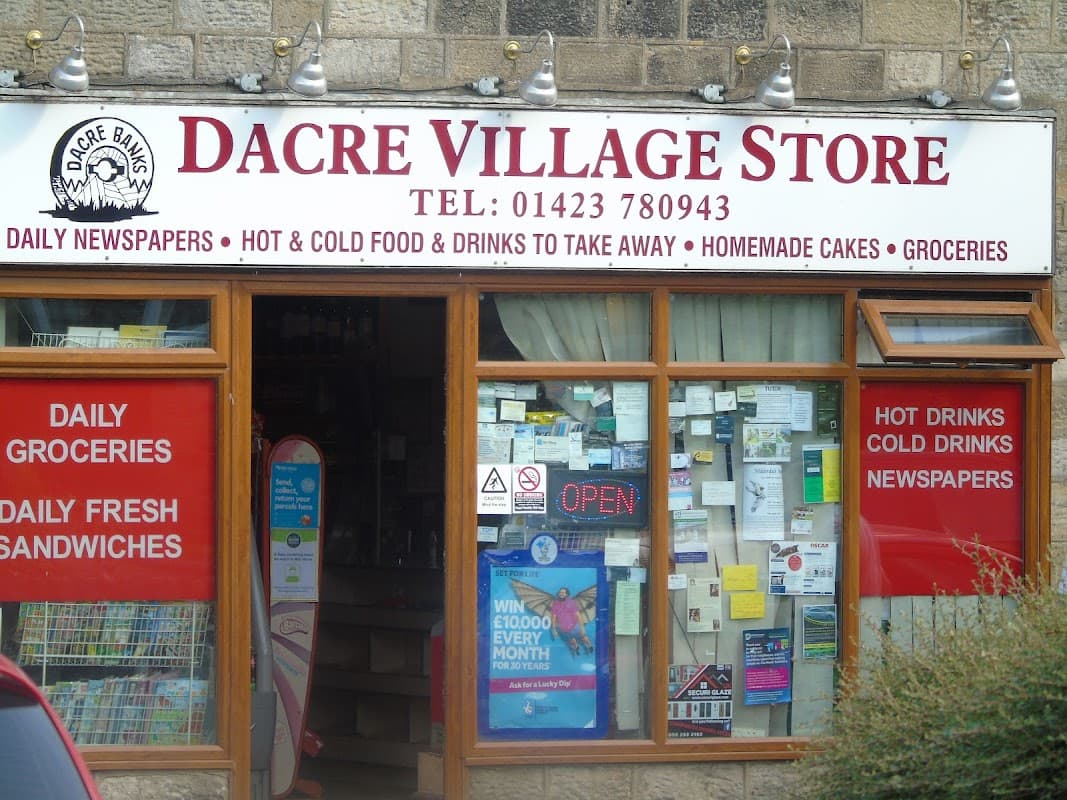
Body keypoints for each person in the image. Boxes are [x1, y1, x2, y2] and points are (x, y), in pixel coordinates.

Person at [550, 587, 593, 656]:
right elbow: (554, 617)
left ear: (567, 594)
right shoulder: (555, 604)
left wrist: (582, 628)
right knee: (571, 640)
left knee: (584, 637)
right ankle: (576, 648)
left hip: (574, 626)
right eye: (560, 592)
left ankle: (590, 646)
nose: (561, 594)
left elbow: (578, 615)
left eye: (563, 592)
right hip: (564, 628)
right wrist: (554, 629)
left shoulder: (571, 602)